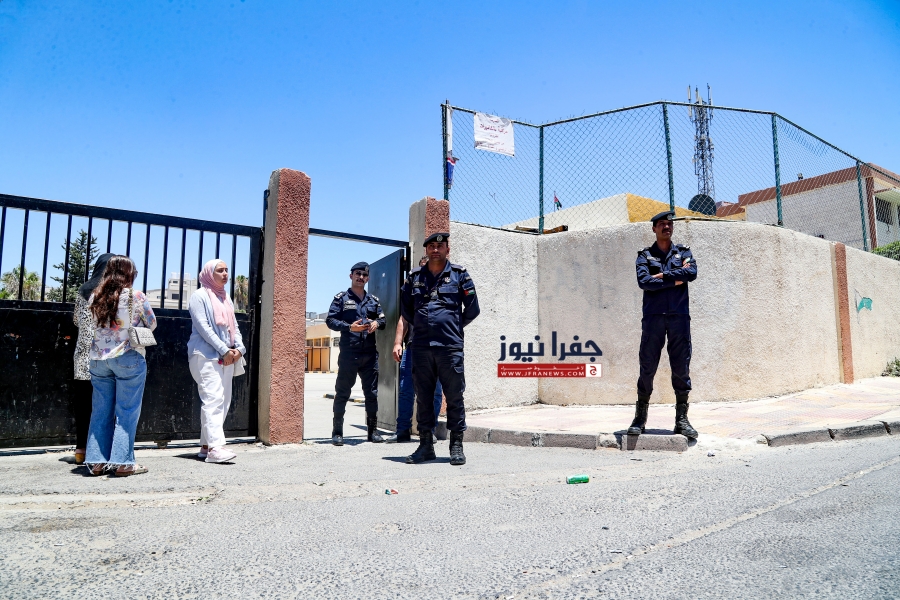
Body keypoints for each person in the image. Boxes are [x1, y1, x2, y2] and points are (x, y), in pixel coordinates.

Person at [400, 232, 480, 466]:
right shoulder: (414, 277)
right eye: (431, 246)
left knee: (454, 396)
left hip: (449, 347)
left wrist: (453, 326)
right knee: (424, 397)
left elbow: (472, 309)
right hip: (421, 347)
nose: (435, 249)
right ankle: (426, 446)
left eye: (440, 246)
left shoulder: (459, 275)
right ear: (426, 250)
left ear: (447, 249)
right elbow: (406, 310)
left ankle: (456, 445)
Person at [627, 211, 699, 439]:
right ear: (654, 229)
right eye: (662, 224)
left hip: (679, 318)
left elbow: (692, 272)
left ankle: (682, 421)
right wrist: (676, 280)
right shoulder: (645, 256)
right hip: (653, 318)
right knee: (647, 367)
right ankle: (640, 419)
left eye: (669, 224)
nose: (666, 227)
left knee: (681, 367)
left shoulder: (684, 252)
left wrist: (662, 276)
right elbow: (644, 282)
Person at [84, 255, 157, 476]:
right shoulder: (136, 296)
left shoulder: (95, 296)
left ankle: (97, 462)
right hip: (127, 356)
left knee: (100, 412)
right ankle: (123, 463)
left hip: (99, 359)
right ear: (129, 274)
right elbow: (152, 323)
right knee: (126, 412)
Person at [188, 259, 246, 464]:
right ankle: (215, 448)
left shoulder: (225, 297)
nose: (225, 274)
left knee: (223, 400)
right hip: (205, 355)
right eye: (220, 270)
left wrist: (239, 349)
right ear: (208, 274)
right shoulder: (199, 296)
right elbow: (203, 327)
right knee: (212, 399)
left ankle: (206, 446)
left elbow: (233, 327)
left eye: (226, 270)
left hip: (227, 356)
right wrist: (224, 350)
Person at [326, 261, 386, 446]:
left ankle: (372, 431)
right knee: (342, 392)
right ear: (351, 276)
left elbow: (383, 319)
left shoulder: (373, 300)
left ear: (368, 278)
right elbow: (330, 320)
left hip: (370, 354)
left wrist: (376, 323)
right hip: (349, 354)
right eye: (358, 274)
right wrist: (349, 327)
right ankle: (337, 432)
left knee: (372, 393)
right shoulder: (341, 299)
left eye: (364, 275)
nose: (361, 277)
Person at [386, 256, 443, 444]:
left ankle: (429, 431)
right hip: (413, 348)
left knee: (435, 392)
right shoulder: (413, 292)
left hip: (437, 350)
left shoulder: (445, 290)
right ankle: (402, 431)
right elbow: (403, 319)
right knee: (406, 390)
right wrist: (397, 343)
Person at [72, 253, 115, 465]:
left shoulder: (83, 290)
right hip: (104, 355)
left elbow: (76, 320)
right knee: (104, 406)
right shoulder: (112, 292)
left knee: (83, 405)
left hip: (82, 356)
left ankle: (81, 450)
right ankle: (101, 451)